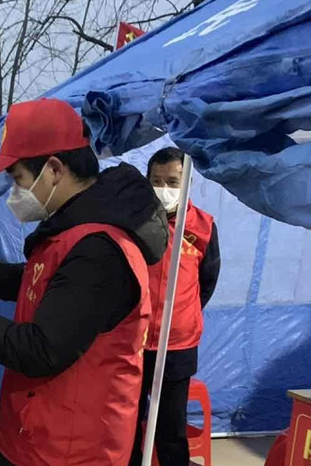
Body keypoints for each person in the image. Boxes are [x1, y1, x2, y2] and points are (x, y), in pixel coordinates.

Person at [0, 98, 169, 466]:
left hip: (71, 451)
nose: (14, 194)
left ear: (55, 169)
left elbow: (43, 348)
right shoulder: (72, 230)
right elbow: (49, 283)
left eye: (18, 180)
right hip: (34, 434)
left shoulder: (100, 249)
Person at [129, 147, 221, 466]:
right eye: (156, 181)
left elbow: (207, 281)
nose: (164, 188)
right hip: (133, 342)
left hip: (178, 345)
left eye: (172, 182)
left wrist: (182, 313)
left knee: (171, 429)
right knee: (127, 425)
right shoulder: (133, 223)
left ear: (187, 183)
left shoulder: (203, 227)